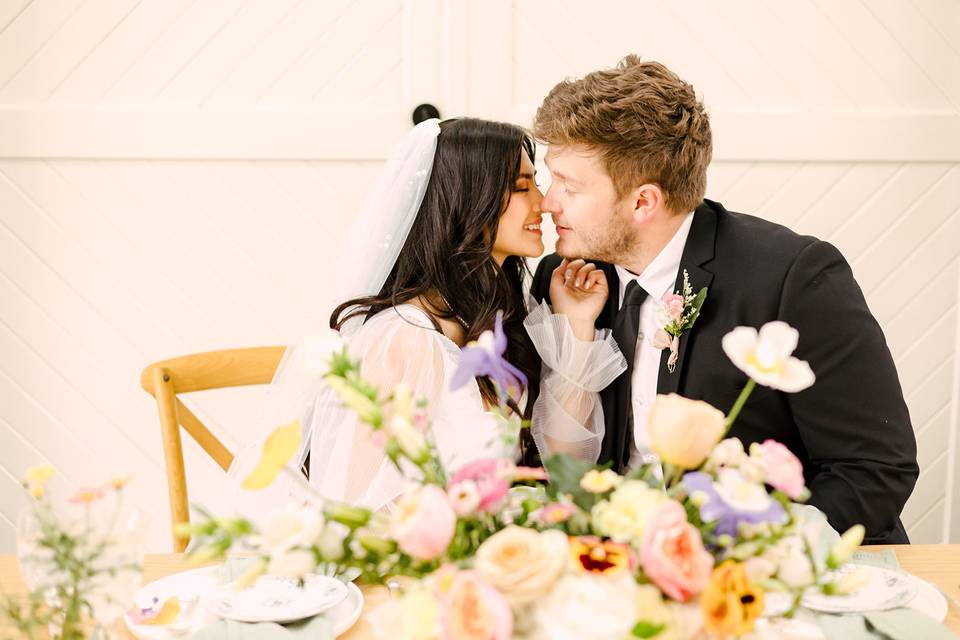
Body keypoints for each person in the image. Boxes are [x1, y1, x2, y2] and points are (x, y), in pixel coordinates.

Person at [528, 55, 919, 544]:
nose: (547, 202)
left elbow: (875, 467)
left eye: (569, 186)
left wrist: (748, 556)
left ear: (643, 202)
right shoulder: (565, 279)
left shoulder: (793, 277)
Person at [229, 117, 625, 513]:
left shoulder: (501, 322)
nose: (545, 201)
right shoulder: (403, 341)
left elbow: (567, 468)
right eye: (522, 187)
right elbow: (359, 509)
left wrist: (575, 323)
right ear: (468, 201)